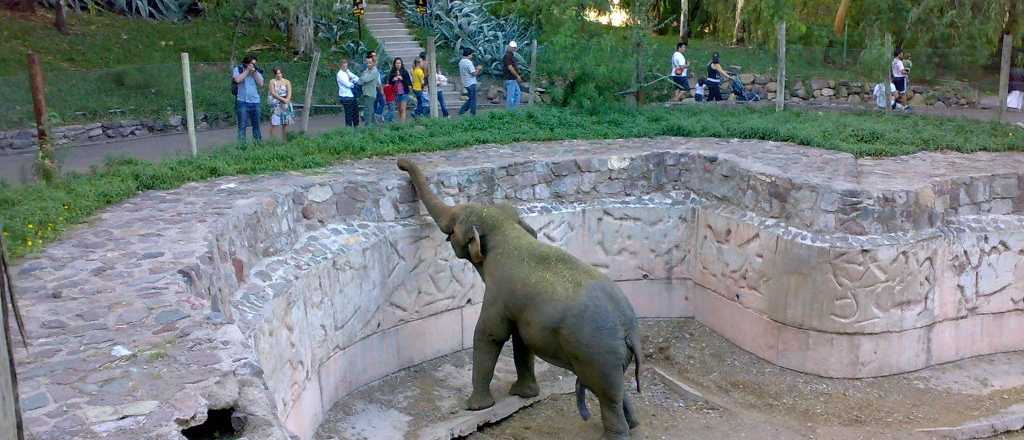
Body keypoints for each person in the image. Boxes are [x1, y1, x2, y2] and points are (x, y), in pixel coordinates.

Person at [232, 54, 264, 142]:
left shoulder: (256, 71)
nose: (253, 65)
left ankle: (258, 145)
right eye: (251, 64)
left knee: (256, 125)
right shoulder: (238, 69)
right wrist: (247, 71)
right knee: (242, 126)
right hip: (242, 102)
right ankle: (242, 147)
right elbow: (237, 80)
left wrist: (254, 72)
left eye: (254, 64)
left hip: (255, 102)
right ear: (246, 63)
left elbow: (261, 83)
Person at [267, 67, 293, 141]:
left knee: (285, 124)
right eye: (277, 73)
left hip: (285, 104)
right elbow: (273, 93)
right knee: (274, 123)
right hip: (276, 104)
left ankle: (285, 141)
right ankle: (272, 141)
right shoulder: (272, 81)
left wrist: (287, 100)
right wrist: (282, 99)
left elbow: (289, 92)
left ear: (282, 73)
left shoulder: (287, 81)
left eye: (280, 73)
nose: (279, 75)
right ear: (274, 74)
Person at [459, 48, 483, 116]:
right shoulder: (469, 62)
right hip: (471, 83)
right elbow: (474, 73)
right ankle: (472, 114)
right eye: (471, 54)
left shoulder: (461, 62)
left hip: (465, 83)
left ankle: (462, 111)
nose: (472, 56)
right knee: (473, 100)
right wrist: (478, 68)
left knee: (470, 99)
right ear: (469, 55)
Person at [388, 57, 413, 122]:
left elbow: (409, 82)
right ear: (394, 64)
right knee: (399, 109)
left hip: (404, 92)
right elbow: (389, 82)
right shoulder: (392, 72)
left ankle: (403, 124)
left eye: (399, 63)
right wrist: (393, 79)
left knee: (403, 108)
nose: (398, 64)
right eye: (397, 63)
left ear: (401, 64)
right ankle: (400, 123)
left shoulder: (404, 72)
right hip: (396, 93)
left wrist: (402, 79)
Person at [359, 53, 381, 126]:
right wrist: (363, 78)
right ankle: (376, 126)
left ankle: (367, 127)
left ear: (373, 63)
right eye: (367, 62)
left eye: (370, 63)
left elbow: (365, 79)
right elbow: (360, 81)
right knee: (370, 111)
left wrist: (363, 77)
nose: (368, 64)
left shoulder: (375, 72)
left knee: (367, 111)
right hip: (366, 93)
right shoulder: (367, 71)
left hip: (370, 94)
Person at [337, 59, 359, 127]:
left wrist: (351, 80)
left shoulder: (347, 71)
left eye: (346, 65)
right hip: (345, 97)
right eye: (343, 66)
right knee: (348, 114)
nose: (345, 67)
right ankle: (348, 129)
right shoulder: (340, 74)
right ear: (340, 66)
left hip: (352, 95)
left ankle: (356, 128)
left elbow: (357, 78)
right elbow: (348, 84)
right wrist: (353, 81)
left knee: (355, 113)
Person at [503, 41, 524, 109]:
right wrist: (517, 76)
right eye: (512, 47)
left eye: (514, 48)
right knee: (511, 96)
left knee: (517, 93)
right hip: (510, 79)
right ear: (509, 47)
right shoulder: (507, 56)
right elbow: (510, 67)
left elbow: (514, 66)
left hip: (513, 79)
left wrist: (518, 73)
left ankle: (514, 110)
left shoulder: (512, 56)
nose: (513, 49)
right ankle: (510, 112)